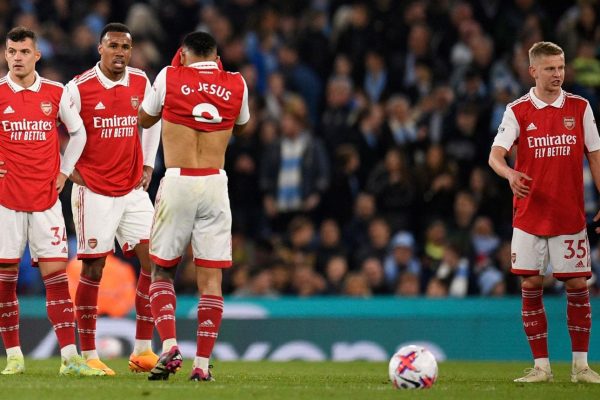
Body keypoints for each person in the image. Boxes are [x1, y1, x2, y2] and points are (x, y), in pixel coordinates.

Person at [139, 31, 249, 381]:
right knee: (211, 279)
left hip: (179, 180)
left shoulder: (169, 76)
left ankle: (170, 345)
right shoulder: (237, 82)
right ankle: (201, 365)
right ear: (216, 57)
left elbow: (144, 119)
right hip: (215, 182)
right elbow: (241, 126)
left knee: (162, 271)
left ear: (183, 54)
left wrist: (178, 81)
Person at [489, 41, 600, 384]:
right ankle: (542, 367)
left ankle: (581, 367)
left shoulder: (580, 107)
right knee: (531, 283)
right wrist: (509, 174)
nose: (558, 74)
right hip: (530, 216)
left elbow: (595, 154)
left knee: (578, 284)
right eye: (550, 68)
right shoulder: (518, 110)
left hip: (569, 214)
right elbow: (495, 155)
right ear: (533, 71)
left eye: (561, 67)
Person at [0, 26, 104, 376]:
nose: (17, 58)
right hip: (6, 201)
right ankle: (14, 356)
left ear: (37, 55)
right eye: (11, 52)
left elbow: (79, 133)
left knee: (56, 278)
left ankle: (70, 358)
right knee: (5, 280)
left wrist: (64, 171)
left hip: (46, 200)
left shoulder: (55, 92)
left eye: (23, 52)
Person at [65, 22, 161, 376]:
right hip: (94, 191)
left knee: (156, 262)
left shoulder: (140, 81)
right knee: (93, 269)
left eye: (125, 47)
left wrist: (148, 163)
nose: (120, 52)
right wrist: (65, 167)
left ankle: (142, 350)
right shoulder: (78, 88)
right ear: (100, 49)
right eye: (114, 46)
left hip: (133, 190)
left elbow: (152, 122)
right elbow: (52, 127)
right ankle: (90, 354)